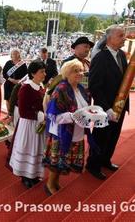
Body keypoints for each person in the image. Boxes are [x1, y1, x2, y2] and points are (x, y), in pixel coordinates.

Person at [43, 59, 91, 195]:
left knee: (63, 160)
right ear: (67, 73)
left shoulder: (81, 88)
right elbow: (54, 116)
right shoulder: (61, 88)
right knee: (57, 159)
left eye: (81, 70)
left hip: (77, 132)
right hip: (62, 132)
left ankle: (55, 182)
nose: (80, 73)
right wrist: (74, 116)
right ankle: (49, 184)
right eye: (75, 71)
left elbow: (86, 108)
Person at [86, 25, 128, 180]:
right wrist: (107, 108)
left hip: (120, 105)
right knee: (100, 137)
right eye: (121, 36)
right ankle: (93, 165)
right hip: (105, 108)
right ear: (109, 38)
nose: (124, 38)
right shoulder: (100, 58)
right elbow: (94, 86)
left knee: (113, 135)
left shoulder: (122, 55)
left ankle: (105, 160)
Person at [9, 60, 46, 189]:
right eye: (42, 72)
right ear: (33, 73)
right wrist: (40, 115)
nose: (44, 74)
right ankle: (25, 176)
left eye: (44, 71)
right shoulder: (26, 88)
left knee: (36, 149)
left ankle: (33, 173)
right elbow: (23, 111)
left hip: (37, 124)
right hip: (28, 125)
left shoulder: (40, 86)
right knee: (28, 148)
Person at [2, 48, 28, 116]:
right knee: (8, 99)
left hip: (17, 85)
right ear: (11, 55)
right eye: (14, 54)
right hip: (8, 84)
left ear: (19, 54)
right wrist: (11, 79)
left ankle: (15, 115)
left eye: (17, 53)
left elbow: (26, 75)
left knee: (16, 100)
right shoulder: (8, 63)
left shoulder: (22, 64)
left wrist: (19, 81)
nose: (15, 55)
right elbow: (4, 74)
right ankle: (9, 114)